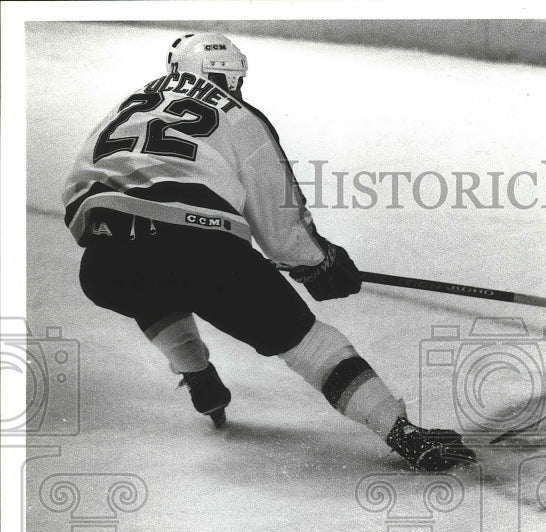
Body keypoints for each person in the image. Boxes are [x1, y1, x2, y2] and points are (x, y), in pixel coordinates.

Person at [62, 32, 474, 472]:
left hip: (102, 262)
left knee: (146, 279)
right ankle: (402, 432)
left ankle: (197, 374)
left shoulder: (128, 105)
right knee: (307, 341)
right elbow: (281, 227)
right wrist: (321, 264)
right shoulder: (239, 116)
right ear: (232, 78)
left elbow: (78, 190)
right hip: (199, 254)